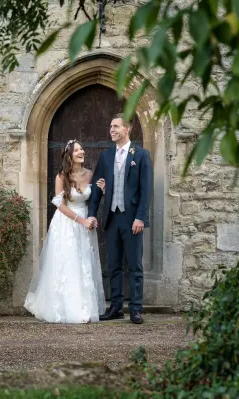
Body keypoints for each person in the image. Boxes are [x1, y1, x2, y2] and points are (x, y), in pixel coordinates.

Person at [24, 139, 106, 323]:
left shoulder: (89, 174)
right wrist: (81, 220)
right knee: (68, 262)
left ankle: (85, 306)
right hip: (67, 223)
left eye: (82, 149)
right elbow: (59, 204)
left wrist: (102, 192)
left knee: (83, 262)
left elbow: (92, 200)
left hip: (85, 222)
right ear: (70, 155)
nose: (82, 152)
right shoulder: (62, 176)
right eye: (77, 150)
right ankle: (67, 308)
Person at [88, 113, 153, 324]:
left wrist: (141, 218)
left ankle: (135, 309)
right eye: (110, 126)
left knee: (135, 265)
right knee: (114, 265)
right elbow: (97, 187)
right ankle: (115, 307)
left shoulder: (141, 155)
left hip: (132, 218)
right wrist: (91, 213)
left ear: (127, 129)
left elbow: (147, 190)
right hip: (112, 218)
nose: (111, 130)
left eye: (116, 126)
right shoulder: (106, 156)